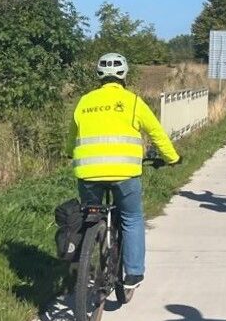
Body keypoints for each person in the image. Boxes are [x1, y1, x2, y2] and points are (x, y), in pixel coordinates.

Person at [67, 52, 180, 294]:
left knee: (90, 217)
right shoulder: (133, 102)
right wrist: (172, 158)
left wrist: (69, 153)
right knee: (131, 218)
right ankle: (133, 272)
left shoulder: (84, 101)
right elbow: (157, 133)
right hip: (124, 173)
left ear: (99, 76)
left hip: (88, 173)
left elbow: (72, 136)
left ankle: (84, 265)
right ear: (124, 75)